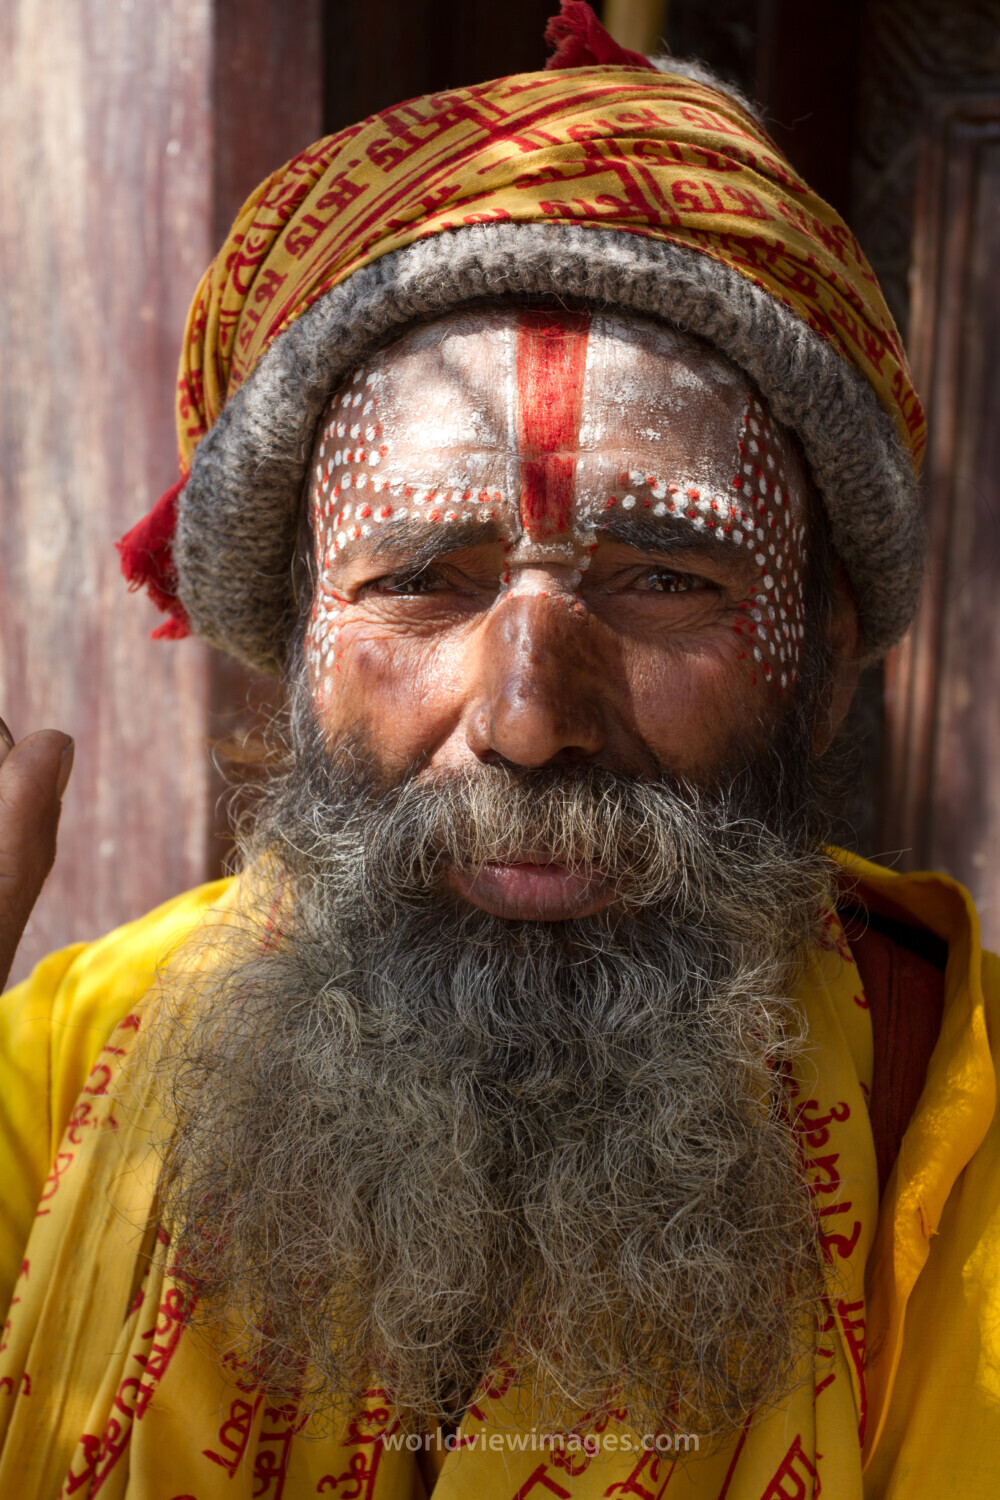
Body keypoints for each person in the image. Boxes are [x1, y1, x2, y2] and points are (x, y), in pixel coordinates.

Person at [0, 5, 996, 1496]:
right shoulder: (66, 1066)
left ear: (830, 659)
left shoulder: (958, 1130)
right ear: (293, 644)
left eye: (666, 579)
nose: (529, 720)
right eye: (420, 578)